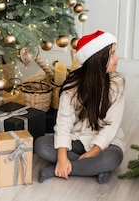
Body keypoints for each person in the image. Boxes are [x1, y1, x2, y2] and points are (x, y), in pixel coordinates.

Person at [35, 30, 125, 185]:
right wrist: (62, 157)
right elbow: (63, 124)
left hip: (106, 143)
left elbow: (112, 125)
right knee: (41, 146)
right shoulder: (72, 87)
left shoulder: (118, 83)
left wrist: (95, 151)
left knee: (113, 158)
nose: (117, 58)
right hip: (77, 139)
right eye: (112, 54)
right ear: (98, 59)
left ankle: (55, 170)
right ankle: (95, 169)